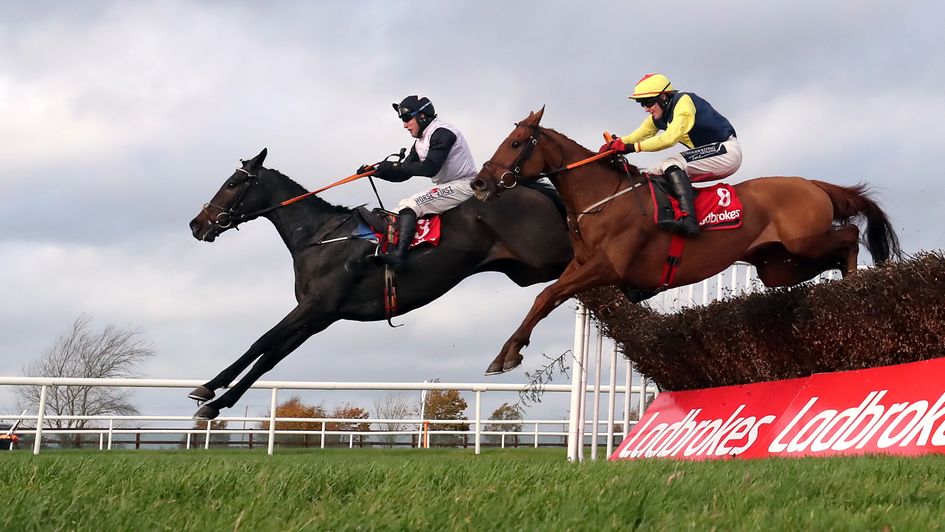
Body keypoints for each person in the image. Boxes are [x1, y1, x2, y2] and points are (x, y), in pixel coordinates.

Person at [599, 73, 741, 237]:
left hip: (727, 150)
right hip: (710, 154)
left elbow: (669, 139)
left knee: (672, 163)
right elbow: (636, 136)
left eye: (649, 102)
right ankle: (671, 214)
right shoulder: (658, 117)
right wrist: (613, 145)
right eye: (642, 104)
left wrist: (630, 147)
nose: (646, 108)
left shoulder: (684, 102)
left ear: (664, 96)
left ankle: (689, 221)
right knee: (654, 171)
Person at [359, 95, 478, 270]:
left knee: (412, 204)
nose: (404, 125)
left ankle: (399, 257)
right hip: (449, 186)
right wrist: (377, 172)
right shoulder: (420, 142)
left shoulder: (442, 132)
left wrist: (393, 166)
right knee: (397, 210)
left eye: (407, 119)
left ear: (422, 116)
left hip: (465, 185)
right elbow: (404, 173)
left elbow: (429, 168)